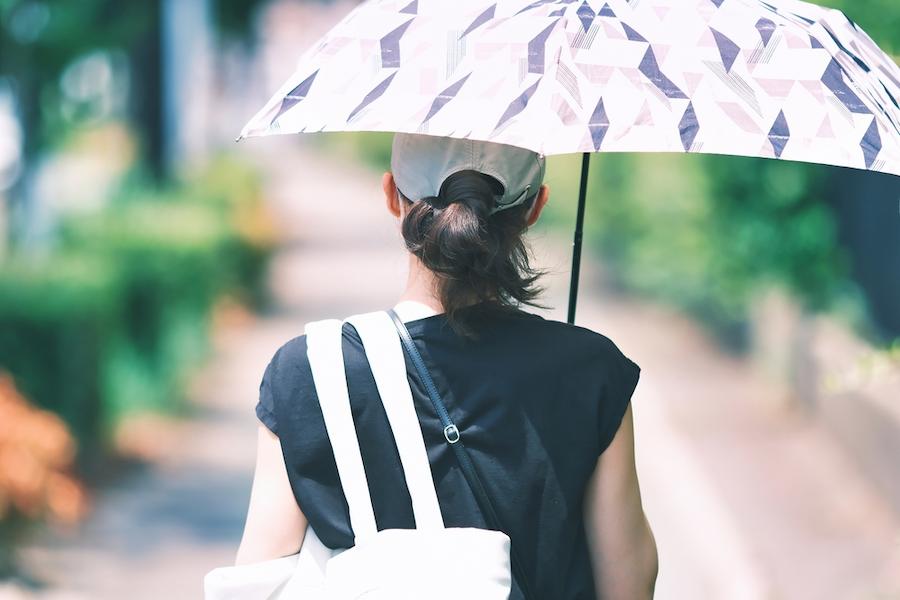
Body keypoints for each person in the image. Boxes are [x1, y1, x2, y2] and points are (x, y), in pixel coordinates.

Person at [234, 133, 658, 599]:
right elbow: (628, 586)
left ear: (393, 197)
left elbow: (259, 578)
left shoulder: (311, 370)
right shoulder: (592, 372)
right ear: (535, 207)